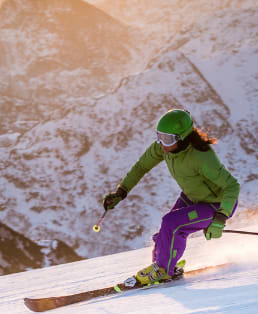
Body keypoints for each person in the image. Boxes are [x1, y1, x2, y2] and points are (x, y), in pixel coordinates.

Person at [102, 109, 240, 286]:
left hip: (216, 205)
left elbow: (232, 186)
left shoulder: (202, 156)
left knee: (171, 223)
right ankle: (163, 267)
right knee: (165, 234)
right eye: (159, 136)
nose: (161, 143)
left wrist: (221, 217)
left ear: (182, 138)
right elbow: (141, 167)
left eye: (167, 139)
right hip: (192, 197)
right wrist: (121, 192)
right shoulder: (163, 149)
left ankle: (163, 270)